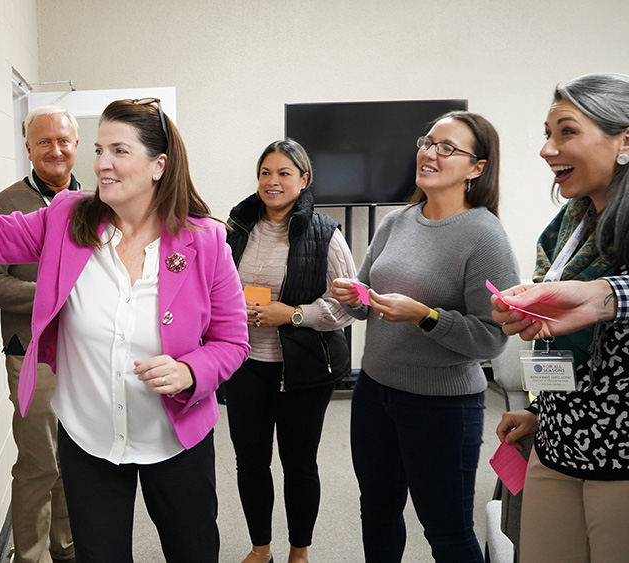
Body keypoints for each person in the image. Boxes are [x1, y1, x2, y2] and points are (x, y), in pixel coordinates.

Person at [0, 98, 249, 563]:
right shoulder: (67, 217)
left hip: (175, 435)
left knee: (193, 551)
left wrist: (190, 370)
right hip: (89, 437)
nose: (101, 163)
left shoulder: (205, 240)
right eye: (100, 149)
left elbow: (232, 341)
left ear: (159, 165)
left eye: (119, 151)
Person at [331, 110, 520, 562]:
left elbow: (493, 339)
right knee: (376, 511)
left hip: (442, 407)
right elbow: (364, 298)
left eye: (447, 147)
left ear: (477, 168)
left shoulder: (485, 236)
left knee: (447, 529)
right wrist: (352, 296)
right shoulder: (399, 220)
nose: (429, 153)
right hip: (374, 392)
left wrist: (426, 316)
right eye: (427, 142)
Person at [492, 72, 629, 562]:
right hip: (559, 443)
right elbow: (565, 348)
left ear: (625, 139)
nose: (548, 149)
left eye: (566, 132)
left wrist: (603, 295)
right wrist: (538, 411)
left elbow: (598, 302)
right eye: (547, 135)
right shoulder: (570, 224)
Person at [224, 139, 354, 563]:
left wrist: (293, 315)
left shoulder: (326, 233)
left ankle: (299, 551)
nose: (273, 182)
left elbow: (348, 307)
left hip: (302, 371)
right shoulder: (236, 228)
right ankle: (261, 547)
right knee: (251, 463)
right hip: (244, 365)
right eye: (266, 173)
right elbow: (214, 287)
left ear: (304, 179)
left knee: (299, 466)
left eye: (283, 173)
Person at [0, 105, 80, 563]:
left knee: (76, 465)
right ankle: (31, 556)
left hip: (85, 354)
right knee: (39, 463)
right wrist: (49, 294)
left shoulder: (98, 202)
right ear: (28, 148)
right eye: (44, 142)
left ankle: (69, 550)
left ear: (77, 146)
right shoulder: (7, 204)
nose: (54, 150)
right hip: (32, 353)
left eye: (63, 141)